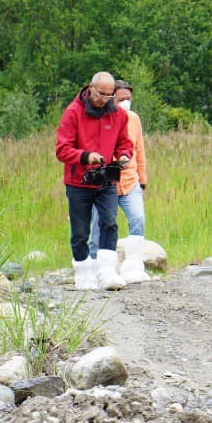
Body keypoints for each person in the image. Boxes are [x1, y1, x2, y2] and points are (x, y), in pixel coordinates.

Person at [55, 72, 135, 291]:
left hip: (106, 178)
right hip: (78, 180)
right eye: (101, 94)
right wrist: (85, 156)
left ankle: (107, 272)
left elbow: (125, 143)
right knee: (80, 231)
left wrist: (124, 156)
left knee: (109, 223)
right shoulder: (73, 112)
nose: (105, 99)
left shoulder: (119, 114)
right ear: (91, 88)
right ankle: (83, 274)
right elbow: (62, 149)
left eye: (110, 95)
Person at [88, 81, 150, 284]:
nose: (125, 103)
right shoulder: (100, 119)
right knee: (100, 226)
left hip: (130, 181)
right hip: (107, 183)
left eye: (128, 99)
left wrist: (142, 180)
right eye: (121, 99)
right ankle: (95, 268)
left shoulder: (134, 119)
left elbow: (139, 150)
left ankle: (133, 267)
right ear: (111, 98)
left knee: (138, 219)